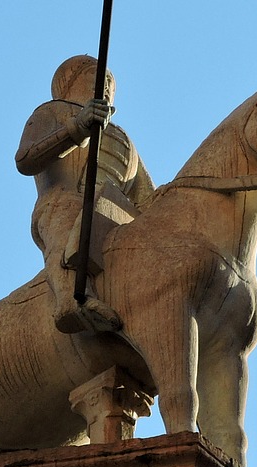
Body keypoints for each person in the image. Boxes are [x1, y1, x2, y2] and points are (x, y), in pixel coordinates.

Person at [15, 55, 154, 333]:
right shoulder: (51, 113)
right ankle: (71, 299)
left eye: (110, 84)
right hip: (61, 203)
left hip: (113, 217)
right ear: (69, 84)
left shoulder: (124, 141)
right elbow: (25, 160)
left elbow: (147, 198)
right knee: (67, 217)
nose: (106, 87)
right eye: (97, 78)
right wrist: (77, 128)